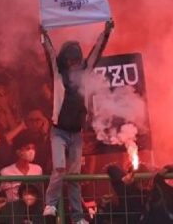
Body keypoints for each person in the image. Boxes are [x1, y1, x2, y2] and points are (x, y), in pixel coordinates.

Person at [40, 19, 114, 224]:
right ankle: (51, 204)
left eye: (76, 60)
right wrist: (44, 37)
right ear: (65, 61)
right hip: (58, 131)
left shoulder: (85, 73)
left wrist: (106, 32)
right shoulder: (58, 76)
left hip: (76, 133)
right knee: (60, 168)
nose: (74, 64)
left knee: (74, 175)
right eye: (70, 61)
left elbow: (96, 52)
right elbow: (50, 57)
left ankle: (78, 216)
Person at [0, 131, 44, 202]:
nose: (31, 151)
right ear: (18, 152)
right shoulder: (5, 172)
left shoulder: (38, 169)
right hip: (14, 211)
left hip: (33, 210)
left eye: (33, 148)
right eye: (27, 148)